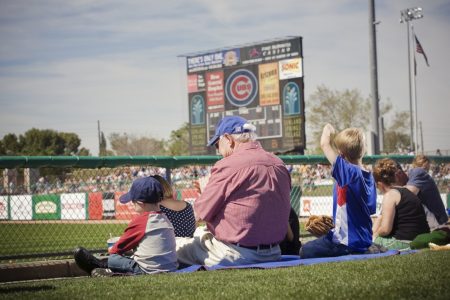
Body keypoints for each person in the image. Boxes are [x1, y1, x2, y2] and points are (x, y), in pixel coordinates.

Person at [175, 116, 291, 266]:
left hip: (235, 254)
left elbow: (200, 214)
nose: (218, 151)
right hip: (274, 253)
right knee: (201, 234)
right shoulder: (279, 163)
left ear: (229, 139)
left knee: (175, 246)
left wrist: (204, 190)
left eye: (218, 145)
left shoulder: (228, 164)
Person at [74, 176, 178, 277]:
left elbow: (115, 249)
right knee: (129, 257)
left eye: (133, 201)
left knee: (114, 259)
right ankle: (104, 268)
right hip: (170, 268)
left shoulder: (141, 221)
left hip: (147, 271)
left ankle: (96, 265)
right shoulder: (165, 217)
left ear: (140, 203)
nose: (132, 204)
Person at [299, 124, 377, 258]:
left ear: (341, 154)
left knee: (304, 250)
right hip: (365, 238)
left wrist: (327, 129)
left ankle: (355, 250)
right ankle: (365, 248)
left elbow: (324, 144)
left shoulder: (347, 170)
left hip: (344, 243)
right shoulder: (369, 177)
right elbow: (370, 210)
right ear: (363, 150)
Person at [372, 158, 430, 250]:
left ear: (379, 184)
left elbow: (385, 230)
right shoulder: (407, 191)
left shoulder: (390, 195)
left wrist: (375, 235)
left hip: (405, 242)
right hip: (421, 239)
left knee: (371, 242)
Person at [405, 155, 448, 230]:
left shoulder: (419, 171)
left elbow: (409, 193)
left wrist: (392, 191)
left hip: (434, 218)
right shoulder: (418, 172)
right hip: (437, 218)